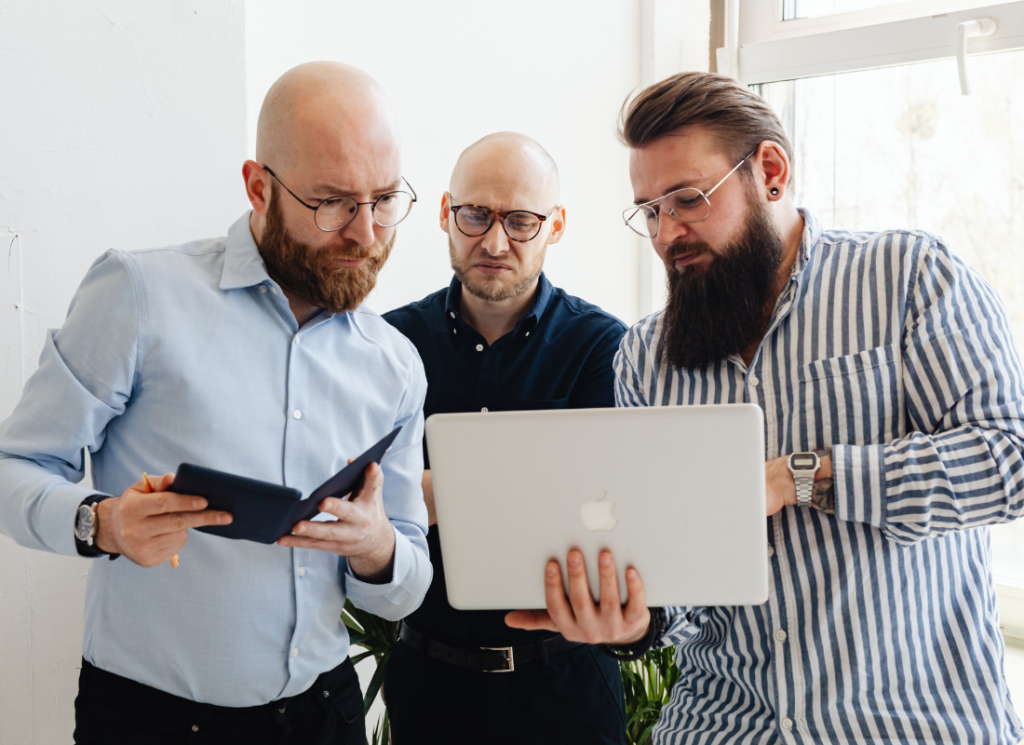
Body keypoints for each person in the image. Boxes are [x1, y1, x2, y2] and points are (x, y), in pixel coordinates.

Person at [508, 71, 1024, 744]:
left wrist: (795, 477)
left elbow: (1009, 462)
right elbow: (675, 570)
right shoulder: (643, 358)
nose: (667, 233)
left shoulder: (911, 279)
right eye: (650, 211)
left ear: (771, 171)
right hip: (722, 727)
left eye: (687, 199)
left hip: (909, 725)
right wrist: (638, 621)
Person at [0, 61, 432, 745]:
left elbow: (404, 584)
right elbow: (12, 468)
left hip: (327, 715)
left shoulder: (395, 364)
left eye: (384, 199)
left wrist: (378, 547)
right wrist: (103, 524)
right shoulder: (139, 294)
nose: (367, 232)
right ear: (258, 188)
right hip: (155, 723)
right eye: (334, 202)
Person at [382, 132, 629, 744]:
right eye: (475, 215)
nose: (495, 242)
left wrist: (426, 491)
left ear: (557, 225)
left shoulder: (604, 346)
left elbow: (608, 504)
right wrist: (532, 485)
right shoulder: (387, 346)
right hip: (428, 683)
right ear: (445, 213)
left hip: (568, 686)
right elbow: (358, 499)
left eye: (521, 221)